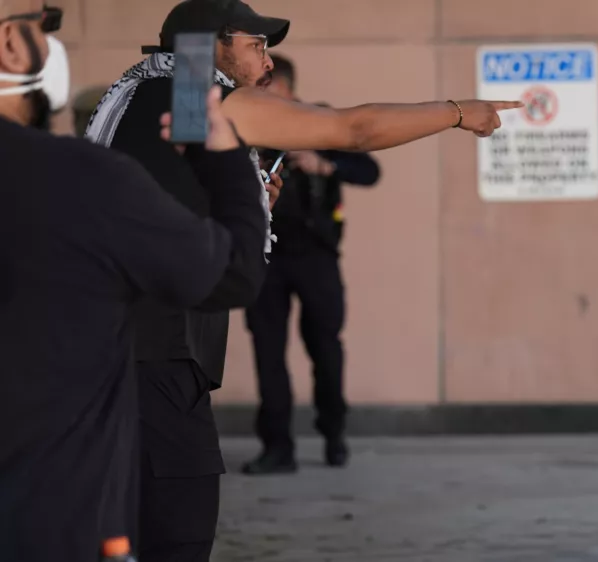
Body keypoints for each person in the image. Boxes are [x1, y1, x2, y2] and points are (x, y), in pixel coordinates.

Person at [83, 1, 520, 559]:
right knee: (178, 533)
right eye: (256, 44)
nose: (266, 57)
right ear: (211, 44)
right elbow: (354, 129)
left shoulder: (133, 95)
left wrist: (244, 202)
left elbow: (174, 204)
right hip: (153, 361)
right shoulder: (196, 94)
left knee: (115, 530)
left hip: (98, 354)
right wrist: (460, 112)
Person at [0, 1, 270, 560]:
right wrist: (228, 167)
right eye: (39, 26)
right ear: (11, 48)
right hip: (49, 506)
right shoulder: (78, 178)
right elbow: (233, 274)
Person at [242, 53, 380, 474]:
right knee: (268, 353)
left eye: (266, 83)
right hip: (266, 256)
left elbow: (368, 169)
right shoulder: (251, 126)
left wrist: (325, 161)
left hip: (316, 255)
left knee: (325, 348)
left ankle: (333, 433)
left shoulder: (318, 123)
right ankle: (277, 447)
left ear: (283, 86)